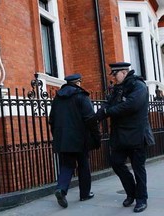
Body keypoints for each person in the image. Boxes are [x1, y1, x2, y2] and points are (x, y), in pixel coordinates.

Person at [95, 62, 155, 213]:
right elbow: (107, 104)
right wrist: (97, 116)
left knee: (138, 169)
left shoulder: (139, 86)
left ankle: (141, 199)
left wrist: (108, 112)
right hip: (120, 136)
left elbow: (131, 106)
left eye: (115, 74)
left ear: (123, 72)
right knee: (116, 163)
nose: (114, 78)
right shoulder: (118, 89)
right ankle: (131, 192)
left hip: (136, 135)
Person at [49, 73, 101, 208]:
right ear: (78, 83)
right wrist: (96, 136)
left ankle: (61, 189)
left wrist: (57, 136)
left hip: (62, 140)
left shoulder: (57, 98)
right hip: (80, 138)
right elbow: (90, 118)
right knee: (83, 165)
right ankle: (85, 194)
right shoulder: (81, 96)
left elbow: (52, 120)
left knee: (67, 165)